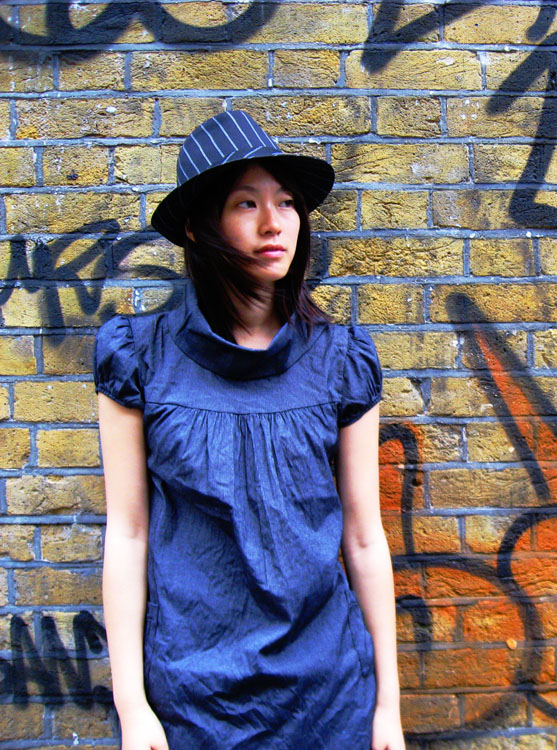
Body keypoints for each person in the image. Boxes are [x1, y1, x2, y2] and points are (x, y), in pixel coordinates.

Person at [95, 110, 405, 750]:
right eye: (246, 203)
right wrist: (132, 706)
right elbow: (127, 534)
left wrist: (387, 709)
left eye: (286, 202)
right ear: (197, 227)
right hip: (194, 699)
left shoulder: (341, 359)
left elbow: (364, 538)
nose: (275, 223)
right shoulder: (138, 357)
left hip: (328, 696)